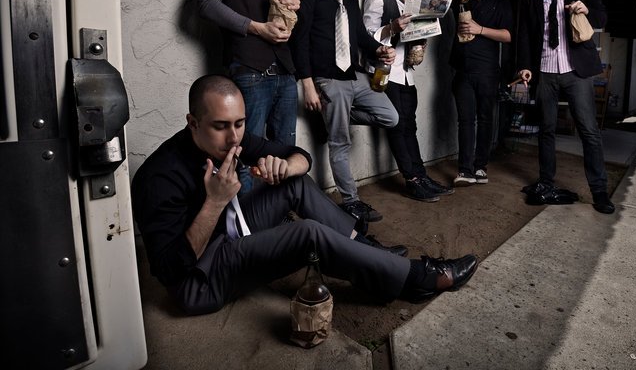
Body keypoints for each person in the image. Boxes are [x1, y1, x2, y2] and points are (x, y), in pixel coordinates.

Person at [131, 75, 478, 315]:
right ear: (192, 123)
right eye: (221, 126)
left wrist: (285, 167)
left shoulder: (233, 138)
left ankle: (366, 250)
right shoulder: (159, 177)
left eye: (239, 123)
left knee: (294, 184)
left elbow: (300, 156)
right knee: (306, 234)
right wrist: (215, 202)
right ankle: (415, 279)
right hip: (199, 281)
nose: (234, 137)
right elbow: (170, 270)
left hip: (228, 234)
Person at [291, 0, 399, 223]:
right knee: (340, 142)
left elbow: (360, 36)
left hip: (354, 76)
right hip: (327, 78)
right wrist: (308, 85)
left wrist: (380, 49)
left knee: (391, 117)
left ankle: (334, 115)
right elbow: (299, 41)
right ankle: (351, 202)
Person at [195, 0, 299, 193]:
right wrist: (256, 27)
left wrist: (292, 10)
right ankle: (250, 216)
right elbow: (206, 3)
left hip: (285, 74)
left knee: (284, 154)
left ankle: (282, 209)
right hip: (250, 73)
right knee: (246, 155)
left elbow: (280, 28)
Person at [516, 0, 615, 214]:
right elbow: (525, 34)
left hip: (576, 70)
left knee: (589, 130)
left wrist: (587, 10)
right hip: (545, 71)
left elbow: (602, 17)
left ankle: (599, 191)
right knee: (546, 130)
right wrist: (525, 66)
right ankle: (546, 182)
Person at [362, 0, 454, 202]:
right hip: (384, 73)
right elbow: (366, 36)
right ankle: (411, 180)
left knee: (409, 126)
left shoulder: (415, 1)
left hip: (406, 73)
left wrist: (421, 39)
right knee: (398, 126)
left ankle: (421, 176)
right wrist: (392, 27)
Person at [445, 0, 513, 187]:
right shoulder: (459, 0)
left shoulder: (498, 1)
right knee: (465, 120)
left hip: (487, 71)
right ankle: (464, 170)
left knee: (485, 119)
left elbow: (507, 35)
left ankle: (480, 168)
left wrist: (480, 29)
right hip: (462, 71)